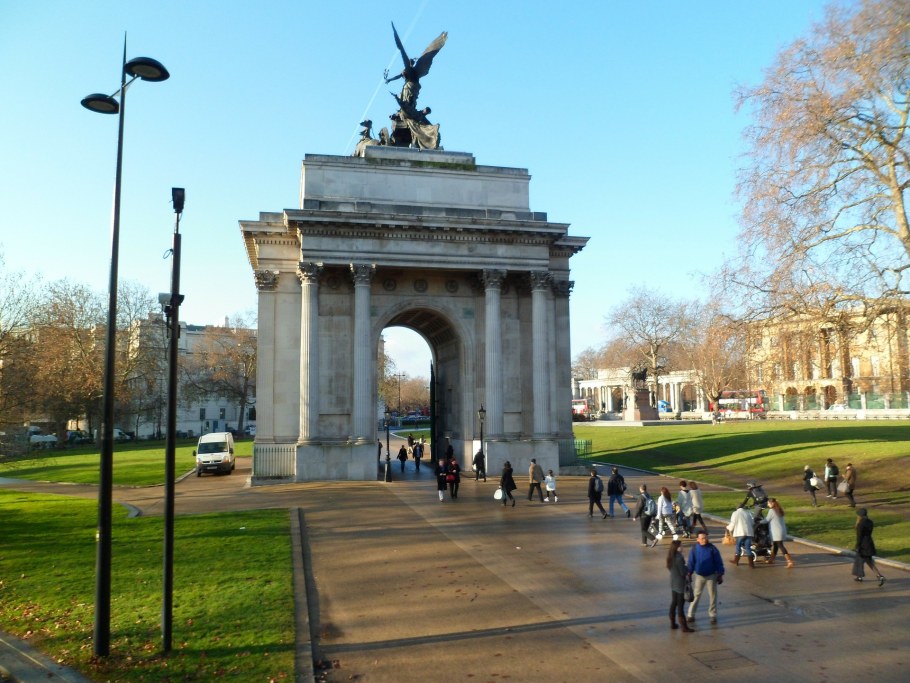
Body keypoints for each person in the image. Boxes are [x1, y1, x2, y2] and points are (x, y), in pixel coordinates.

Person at [687, 531, 725, 625]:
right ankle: (691, 614)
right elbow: (691, 562)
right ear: (698, 539)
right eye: (702, 538)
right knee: (696, 596)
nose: (705, 540)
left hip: (711, 576)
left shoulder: (712, 549)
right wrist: (689, 573)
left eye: (706, 538)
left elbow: (718, 562)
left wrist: (720, 574)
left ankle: (712, 615)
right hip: (699, 576)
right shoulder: (694, 549)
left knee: (712, 596)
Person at [852, 508, 885, 586]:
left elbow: (859, 536)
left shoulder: (860, 524)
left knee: (860, 561)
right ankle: (878, 576)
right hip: (869, 543)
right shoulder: (870, 522)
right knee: (868, 561)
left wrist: (857, 546)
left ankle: (877, 576)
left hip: (863, 545)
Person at [667, 540, 694, 632]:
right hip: (680, 584)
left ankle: (672, 623)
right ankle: (684, 626)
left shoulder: (671, 556)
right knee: (680, 605)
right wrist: (687, 568)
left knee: (674, 602)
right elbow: (683, 572)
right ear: (677, 548)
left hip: (673, 583)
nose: (682, 547)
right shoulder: (679, 558)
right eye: (681, 546)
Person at [765, 498, 794, 567]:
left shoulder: (771, 511)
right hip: (781, 530)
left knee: (780, 545)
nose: (767, 504)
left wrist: (758, 522)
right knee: (776, 545)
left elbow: (766, 520)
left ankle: (789, 561)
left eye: (768, 503)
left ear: (772, 503)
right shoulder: (779, 509)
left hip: (776, 532)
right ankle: (771, 560)